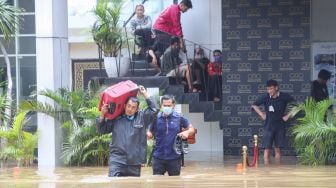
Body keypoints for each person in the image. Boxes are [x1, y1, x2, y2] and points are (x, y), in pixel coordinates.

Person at [96, 86, 158, 177]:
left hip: (134, 161)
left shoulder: (142, 117)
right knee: (114, 183)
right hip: (117, 160)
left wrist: (145, 93)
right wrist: (102, 115)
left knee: (132, 184)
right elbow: (102, 130)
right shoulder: (115, 118)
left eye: (133, 107)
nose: (130, 109)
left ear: (137, 109)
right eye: (128, 106)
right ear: (124, 106)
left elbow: (154, 109)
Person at [147, 94, 196, 176]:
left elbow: (192, 129)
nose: (166, 107)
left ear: (173, 105)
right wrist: (147, 134)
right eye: (164, 105)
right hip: (158, 157)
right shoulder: (155, 118)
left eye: (169, 105)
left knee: (175, 183)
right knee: (157, 183)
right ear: (161, 105)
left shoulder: (179, 117)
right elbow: (150, 133)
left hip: (174, 158)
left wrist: (186, 132)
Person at [251, 79, 294, 165]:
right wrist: (262, 114)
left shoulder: (284, 96)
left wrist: (287, 116)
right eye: (268, 89)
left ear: (276, 88)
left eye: (271, 89)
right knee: (267, 149)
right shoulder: (265, 97)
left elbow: (296, 105)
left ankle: (277, 170)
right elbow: (254, 105)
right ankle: (267, 170)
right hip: (268, 126)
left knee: (278, 149)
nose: (269, 91)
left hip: (280, 126)